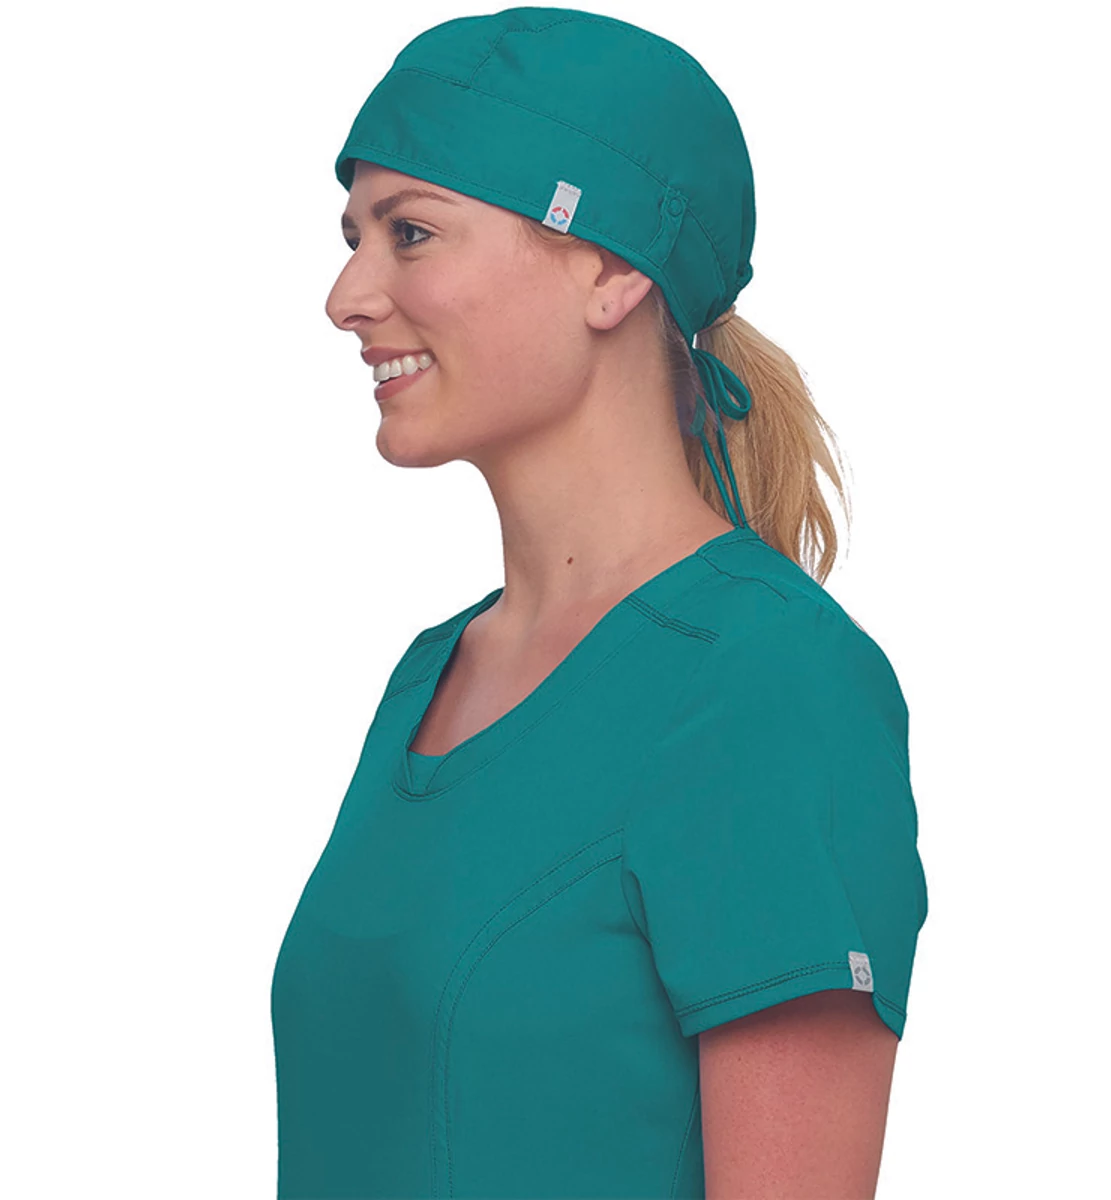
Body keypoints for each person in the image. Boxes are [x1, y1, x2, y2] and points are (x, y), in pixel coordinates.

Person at [270, 7, 928, 1198]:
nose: (346, 296)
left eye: (411, 233)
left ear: (614, 268)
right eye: (353, 237)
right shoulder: (430, 676)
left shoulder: (764, 682)